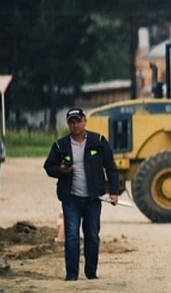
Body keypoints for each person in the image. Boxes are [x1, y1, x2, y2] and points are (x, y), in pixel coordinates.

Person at [43, 108, 122, 281]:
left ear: (85, 121)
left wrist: (114, 192)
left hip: (93, 198)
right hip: (71, 198)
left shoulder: (98, 141)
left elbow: (111, 167)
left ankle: (91, 273)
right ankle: (71, 275)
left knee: (92, 236)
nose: (75, 125)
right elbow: (49, 167)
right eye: (71, 122)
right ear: (68, 124)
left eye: (78, 121)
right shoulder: (60, 145)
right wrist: (61, 171)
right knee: (71, 236)